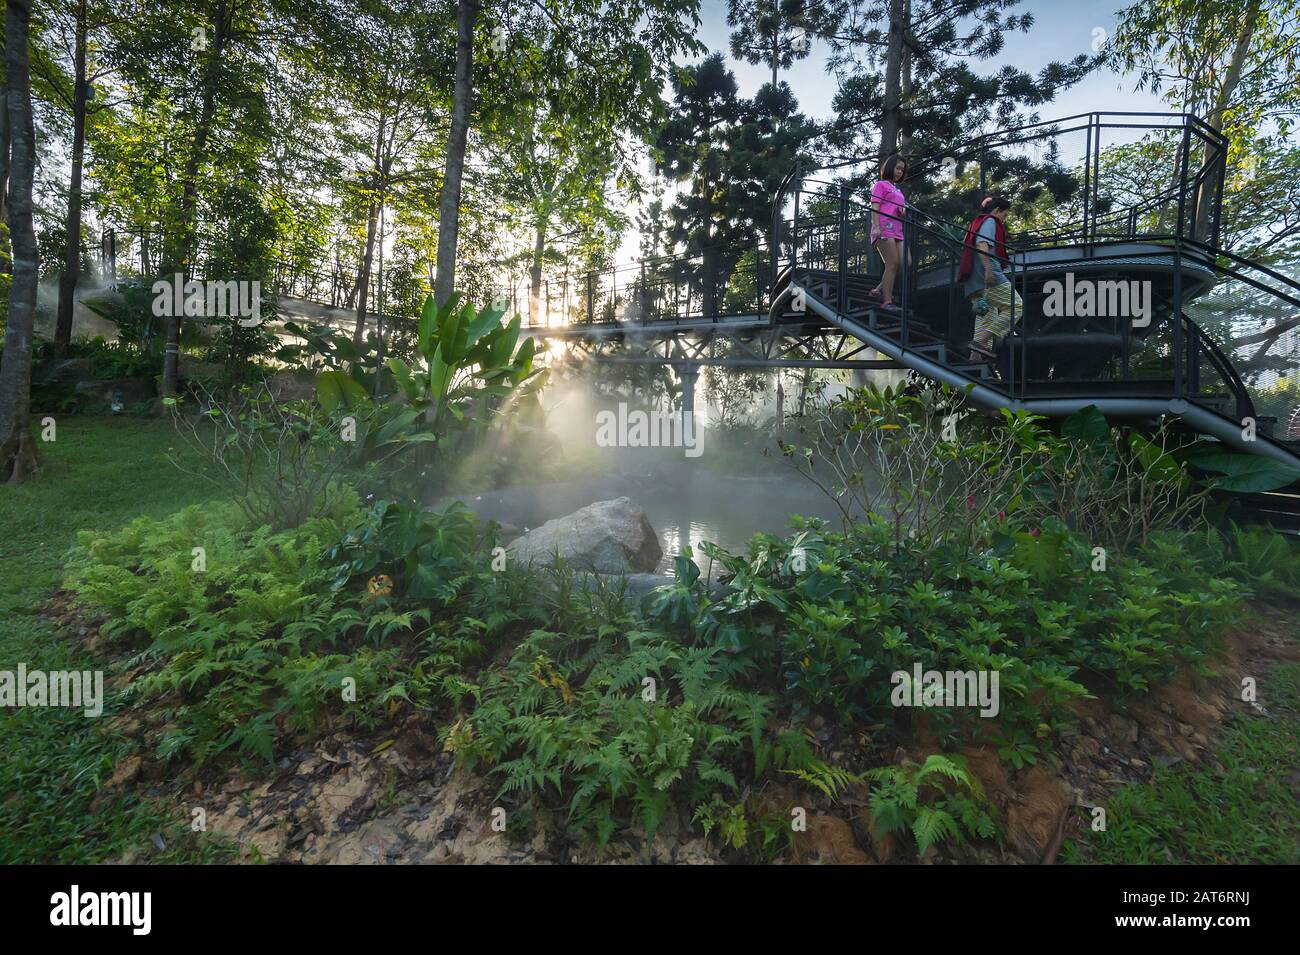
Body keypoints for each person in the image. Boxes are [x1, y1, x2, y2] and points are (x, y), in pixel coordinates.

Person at [958, 195, 1021, 363]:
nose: (1004, 219)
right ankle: (980, 341)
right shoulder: (990, 221)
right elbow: (982, 244)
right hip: (987, 274)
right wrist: (988, 270)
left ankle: (975, 359)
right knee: (1016, 306)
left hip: (973, 276)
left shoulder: (977, 222)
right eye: (1004, 215)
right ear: (996, 210)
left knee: (985, 314)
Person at [868, 154, 908, 310]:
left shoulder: (897, 189)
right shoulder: (881, 185)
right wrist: (876, 226)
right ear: (890, 167)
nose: (899, 172)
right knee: (892, 264)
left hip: (898, 230)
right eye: (898, 168)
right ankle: (887, 301)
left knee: (906, 262)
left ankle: (877, 289)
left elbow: (898, 206)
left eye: (902, 170)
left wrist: (903, 208)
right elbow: (875, 206)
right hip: (884, 227)